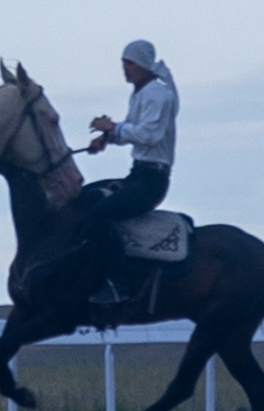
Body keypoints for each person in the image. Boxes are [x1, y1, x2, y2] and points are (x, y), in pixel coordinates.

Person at [59, 39, 180, 302]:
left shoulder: (158, 95)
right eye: (124, 63)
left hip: (152, 182)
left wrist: (112, 128)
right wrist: (108, 138)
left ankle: (116, 284)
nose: (126, 68)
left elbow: (149, 135)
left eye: (131, 63)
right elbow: (133, 130)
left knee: (100, 215)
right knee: (84, 197)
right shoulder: (141, 93)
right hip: (138, 175)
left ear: (146, 65)